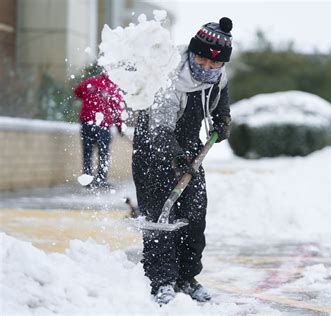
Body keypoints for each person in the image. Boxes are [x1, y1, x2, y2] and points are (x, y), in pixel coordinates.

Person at [132, 17, 233, 305]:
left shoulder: (218, 75)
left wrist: (222, 117)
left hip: (189, 146)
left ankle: (187, 277)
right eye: (201, 59)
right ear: (192, 51)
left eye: (214, 65)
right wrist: (176, 157)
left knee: (195, 212)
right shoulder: (169, 78)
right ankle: (161, 280)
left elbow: (221, 92)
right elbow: (159, 130)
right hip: (154, 147)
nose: (206, 68)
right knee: (161, 216)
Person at [74, 71, 124, 190]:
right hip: (103, 126)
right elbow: (117, 110)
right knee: (103, 153)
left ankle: (87, 179)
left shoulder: (90, 82)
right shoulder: (112, 89)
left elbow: (77, 91)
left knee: (87, 152)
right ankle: (101, 179)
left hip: (87, 123)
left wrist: (88, 97)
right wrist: (119, 127)